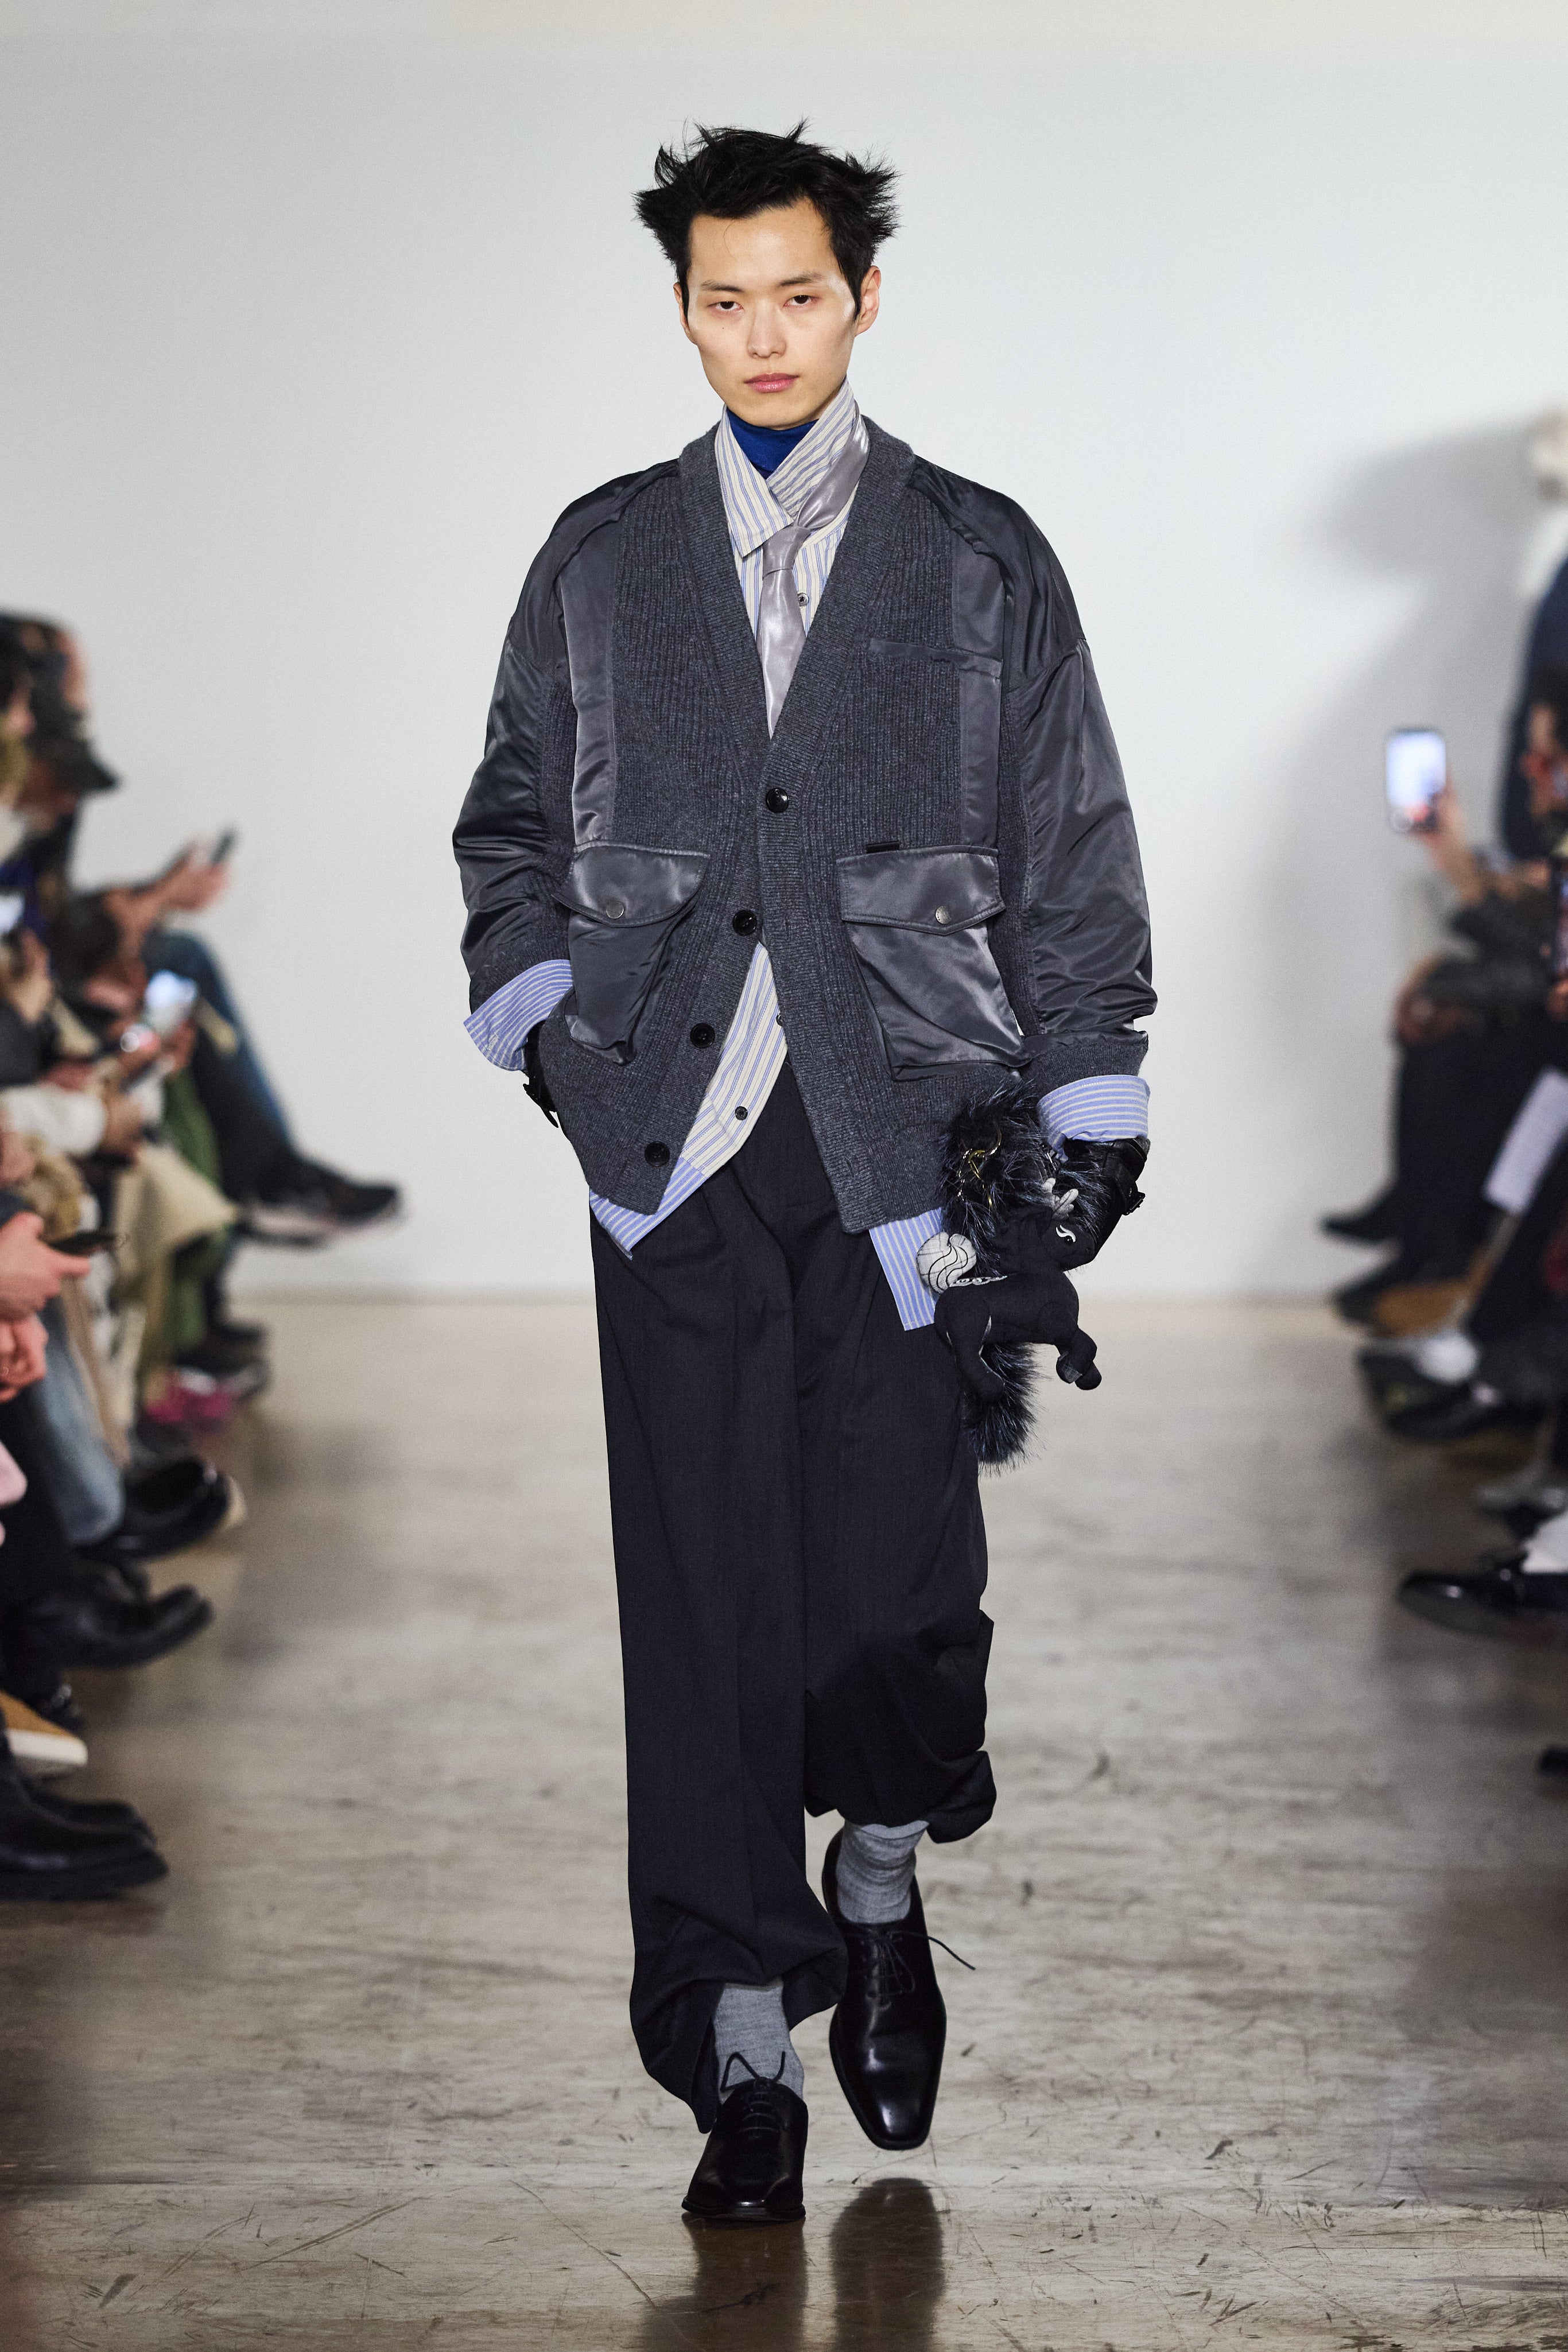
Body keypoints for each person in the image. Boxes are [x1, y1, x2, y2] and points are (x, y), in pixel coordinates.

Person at [454, 123, 1154, 2223]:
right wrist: (542, 1019)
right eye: (719, 299)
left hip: (906, 1141)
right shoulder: (601, 554)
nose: (759, 336)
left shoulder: (976, 557)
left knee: (895, 1602)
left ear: (861, 298)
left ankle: (882, 1865)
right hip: (665, 1151)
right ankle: (737, 2044)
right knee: (704, 1610)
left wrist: (1092, 1104)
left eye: (795, 295)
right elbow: (508, 816)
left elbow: (1069, 841)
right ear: (680, 308)